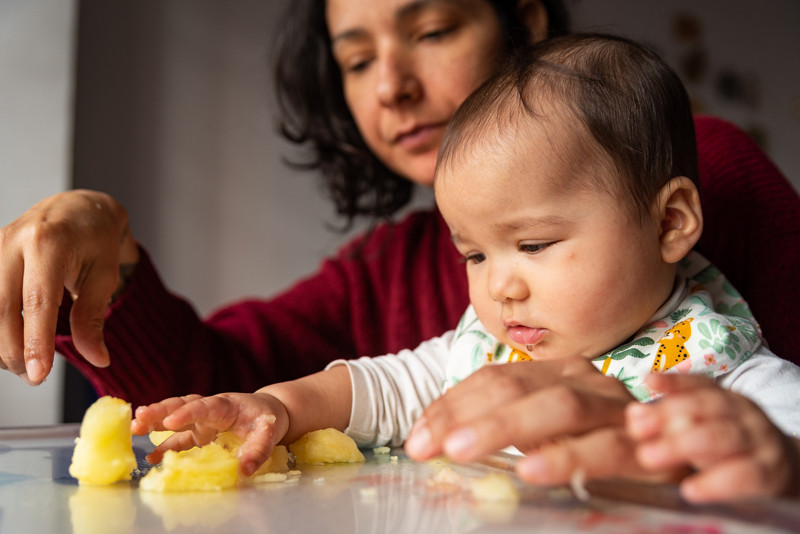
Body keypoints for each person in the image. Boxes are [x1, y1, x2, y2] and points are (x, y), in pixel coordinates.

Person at [1, 0, 798, 494]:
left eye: (433, 29)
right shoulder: (456, 318)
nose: (390, 86)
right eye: (476, 256)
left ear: (670, 224)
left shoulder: (728, 346)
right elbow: (336, 384)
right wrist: (273, 403)